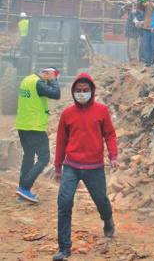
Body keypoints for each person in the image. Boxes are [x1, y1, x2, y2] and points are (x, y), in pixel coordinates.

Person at [52, 73, 118, 261]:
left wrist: (113, 156)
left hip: (94, 167)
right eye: (78, 91)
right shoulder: (67, 114)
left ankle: (107, 219)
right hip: (71, 166)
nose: (82, 94)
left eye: (86, 91)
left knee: (101, 201)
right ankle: (64, 248)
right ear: (73, 93)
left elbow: (110, 135)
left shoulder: (101, 111)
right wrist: (58, 167)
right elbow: (61, 141)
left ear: (92, 91)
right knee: (64, 204)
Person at [14, 67, 61, 203]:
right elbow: (56, 93)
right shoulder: (38, 83)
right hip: (34, 127)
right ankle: (25, 187)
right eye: (52, 78)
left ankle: (21, 192)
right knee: (44, 157)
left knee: (28, 156)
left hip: (22, 125)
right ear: (47, 73)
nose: (51, 82)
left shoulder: (27, 80)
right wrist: (52, 79)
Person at [138, 0, 154, 66]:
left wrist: (150, 2)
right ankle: (147, 62)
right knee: (146, 46)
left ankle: (153, 62)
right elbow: (140, 7)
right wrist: (141, 1)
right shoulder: (147, 4)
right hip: (146, 27)